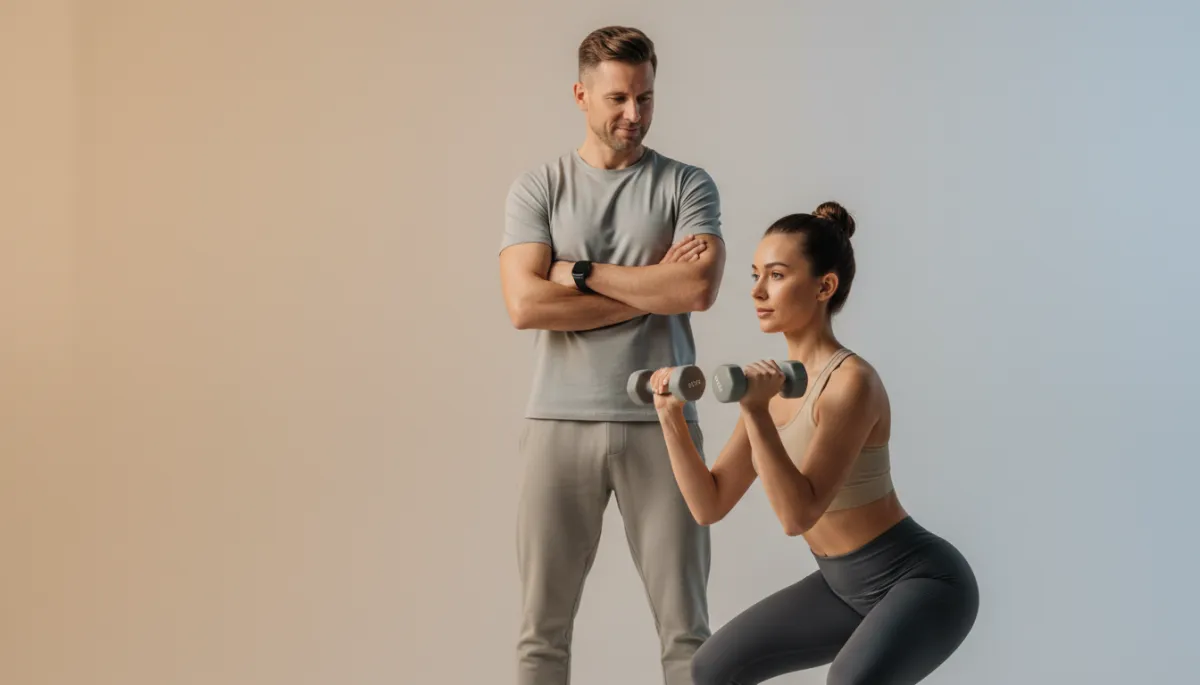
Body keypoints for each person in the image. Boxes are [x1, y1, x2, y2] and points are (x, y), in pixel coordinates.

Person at [647, 202, 979, 685]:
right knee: (712, 667)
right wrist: (669, 417)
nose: (757, 290)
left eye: (777, 275)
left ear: (825, 286)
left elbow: (798, 515)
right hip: (840, 585)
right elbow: (709, 503)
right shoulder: (769, 384)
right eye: (756, 274)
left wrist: (756, 411)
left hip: (922, 582)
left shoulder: (851, 384)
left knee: (848, 682)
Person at [498, 26, 727, 685]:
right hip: (557, 425)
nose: (635, 114)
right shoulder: (537, 187)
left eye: (647, 98)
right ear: (581, 95)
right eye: (619, 98)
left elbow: (696, 287)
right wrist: (649, 287)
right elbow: (525, 306)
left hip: (665, 426)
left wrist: (577, 271)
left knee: (687, 634)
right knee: (542, 635)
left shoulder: (687, 184)